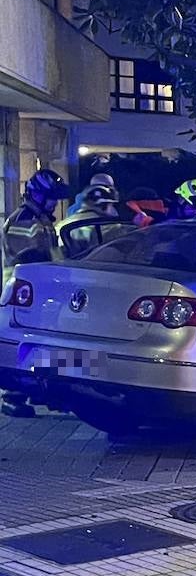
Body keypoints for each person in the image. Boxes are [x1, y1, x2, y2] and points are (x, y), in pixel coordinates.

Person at [1, 169, 70, 417]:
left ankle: (38, 391)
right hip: (23, 294)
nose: (55, 203)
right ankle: (12, 396)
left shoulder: (40, 219)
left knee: (40, 347)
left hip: (37, 293)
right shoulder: (24, 220)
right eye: (51, 197)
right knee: (24, 345)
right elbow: (29, 260)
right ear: (37, 195)